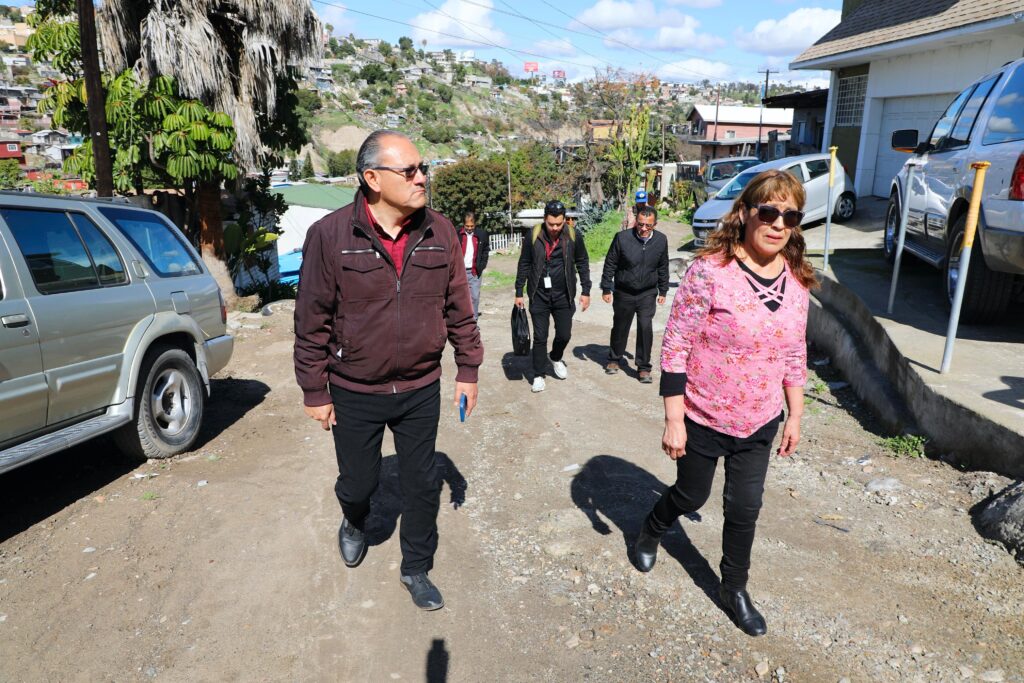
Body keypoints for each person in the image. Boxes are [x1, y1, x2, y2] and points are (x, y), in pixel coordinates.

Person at [293, 129, 483, 611]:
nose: (422, 178)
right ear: (372, 178)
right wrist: (315, 391)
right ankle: (354, 519)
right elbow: (311, 320)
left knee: (421, 483)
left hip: (419, 386)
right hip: (355, 388)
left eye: (423, 169)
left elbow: (459, 306)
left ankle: (416, 567)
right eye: (411, 171)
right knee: (359, 483)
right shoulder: (331, 236)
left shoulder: (441, 232)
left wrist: (468, 368)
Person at [632, 169, 816, 637]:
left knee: (745, 508)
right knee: (692, 494)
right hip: (702, 415)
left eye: (789, 215)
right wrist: (674, 419)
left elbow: (795, 351)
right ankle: (652, 527)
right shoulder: (710, 271)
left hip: (760, 421)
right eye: (769, 211)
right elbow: (674, 346)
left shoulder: (797, 280)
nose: (778, 223)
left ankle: (733, 587)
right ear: (746, 213)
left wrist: (795, 413)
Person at [514, 200, 591, 393]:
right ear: (544, 220)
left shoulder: (573, 235)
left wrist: (586, 291)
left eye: (559, 224)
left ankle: (555, 357)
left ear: (565, 220)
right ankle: (538, 375)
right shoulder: (533, 235)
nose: (555, 228)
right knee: (540, 337)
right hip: (539, 294)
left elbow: (582, 262)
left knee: (564, 334)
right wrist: (519, 292)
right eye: (551, 224)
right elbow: (524, 263)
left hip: (564, 295)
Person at [600, 206, 669, 383]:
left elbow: (663, 266)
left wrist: (663, 289)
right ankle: (615, 359)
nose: (644, 229)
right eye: (640, 224)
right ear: (636, 222)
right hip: (624, 291)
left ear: (655, 224)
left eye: (648, 225)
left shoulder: (661, 240)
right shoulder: (622, 238)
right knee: (621, 326)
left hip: (647, 292)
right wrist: (606, 288)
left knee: (645, 327)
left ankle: (644, 367)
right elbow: (610, 263)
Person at [458, 211, 489, 319]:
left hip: (474, 271)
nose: (469, 228)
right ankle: (462, 320)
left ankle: (474, 322)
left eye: (472, 226)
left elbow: (486, 250)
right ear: (463, 224)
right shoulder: (457, 234)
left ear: (475, 224)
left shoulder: (482, 234)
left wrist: (482, 265)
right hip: (459, 272)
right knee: (460, 297)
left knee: (475, 297)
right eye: (467, 226)